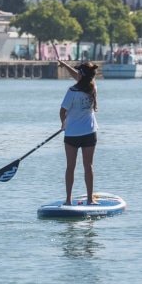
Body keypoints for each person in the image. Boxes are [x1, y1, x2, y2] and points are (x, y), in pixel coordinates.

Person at [57, 59, 99, 206]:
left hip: (72, 134)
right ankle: (89, 199)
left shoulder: (72, 91)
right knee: (89, 166)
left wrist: (63, 124)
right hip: (89, 133)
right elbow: (80, 76)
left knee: (71, 167)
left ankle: (68, 200)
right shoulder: (92, 87)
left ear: (81, 75)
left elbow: (62, 111)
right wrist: (66, 66)